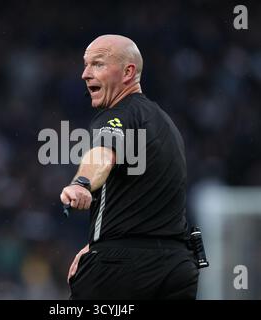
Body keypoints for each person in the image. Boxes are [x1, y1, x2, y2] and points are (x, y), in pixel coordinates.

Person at [60, 34, 199, 299]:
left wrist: (81, 184)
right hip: (177, 268)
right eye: (86, 64)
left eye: (97, 64)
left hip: (122, 271)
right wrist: (97, 244)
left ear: (128, 72)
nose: (85, 74)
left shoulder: (119, 115)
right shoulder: (165, 124)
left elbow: (102, 155)